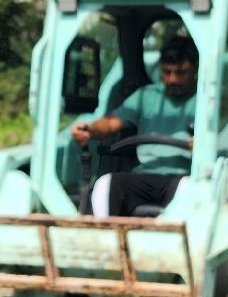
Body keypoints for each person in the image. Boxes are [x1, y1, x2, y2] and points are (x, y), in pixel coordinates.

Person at [70, 37, 197, 216]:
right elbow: (109, 123)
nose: (173, 79)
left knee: (191, 190)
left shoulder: (205, 99)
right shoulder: (146, 96)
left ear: (195, 70)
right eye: (167, 72)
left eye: (181, 72)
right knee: (106, 184)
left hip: (185, 176)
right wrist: (89, 130)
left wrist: (202, 144)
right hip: (145, 175)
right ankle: (107, 239)